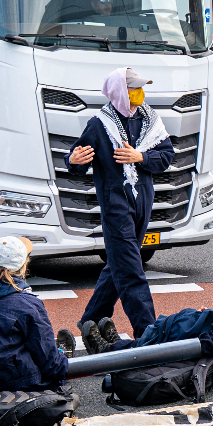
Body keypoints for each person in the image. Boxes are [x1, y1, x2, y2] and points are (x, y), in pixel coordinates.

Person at [79, 213, 213, 387]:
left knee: (182, 325)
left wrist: (187, 332)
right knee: (195, 321)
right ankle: (126, 347)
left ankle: (115, 354)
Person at [68, 67, 175, 339]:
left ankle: (90, 321)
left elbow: (166, 155)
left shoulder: (150, 119)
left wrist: (141, 158)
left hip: (143, 201)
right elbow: (79, 157)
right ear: (118, 91)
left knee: (120, 263)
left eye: (141, 87)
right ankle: (148, 333)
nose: (139, 93)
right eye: (133, 88)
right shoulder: (99, 124)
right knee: (130, 268)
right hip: (115, 203)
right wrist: (73, 161)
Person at [0, 237, 70, 395]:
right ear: (23, 266)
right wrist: (63, 366)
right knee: (54, 363)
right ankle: (64, 353)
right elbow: (50, 363)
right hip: (16, 387)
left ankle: (61, 352)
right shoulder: (27, 304)